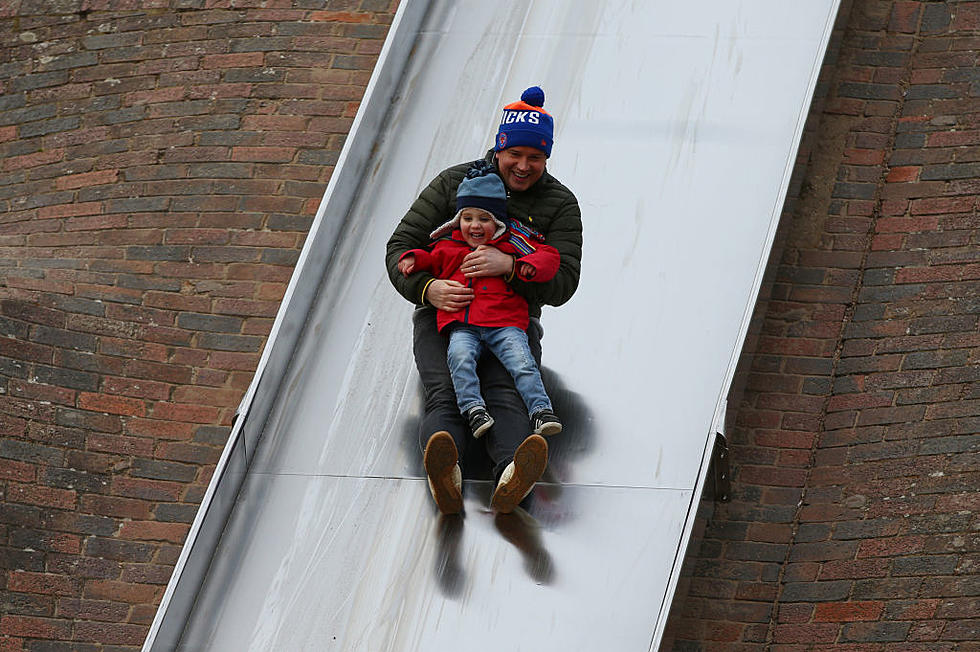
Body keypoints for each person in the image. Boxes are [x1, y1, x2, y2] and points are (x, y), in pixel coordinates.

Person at [386, 86, 583, 515]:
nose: (524, 166)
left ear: (547, 158)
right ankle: (447, 471)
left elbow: (565, 282)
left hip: (511, 319)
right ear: (500, 147)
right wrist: (427, 289)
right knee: (446, 392)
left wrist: (509, 268)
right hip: (448, 314)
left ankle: (514, 472)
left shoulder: (559, 203)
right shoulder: (455, 183)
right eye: (516, 155)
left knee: (507, 391)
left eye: (536, 158)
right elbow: (401, 246)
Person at [397, 169, 563, 441]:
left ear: (497, 221)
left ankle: (541, 410)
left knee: (522, 363)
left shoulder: (514, 243)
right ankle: (473, 409)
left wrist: (521, 266)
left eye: (484, 219)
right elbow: (430, 257)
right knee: (459, 359)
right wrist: (413, 259)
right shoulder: (449, 245)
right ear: (458, 220)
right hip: (464, 325)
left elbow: (549, 256)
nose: (475, 225)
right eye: (467, 218)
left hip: (505, 324)